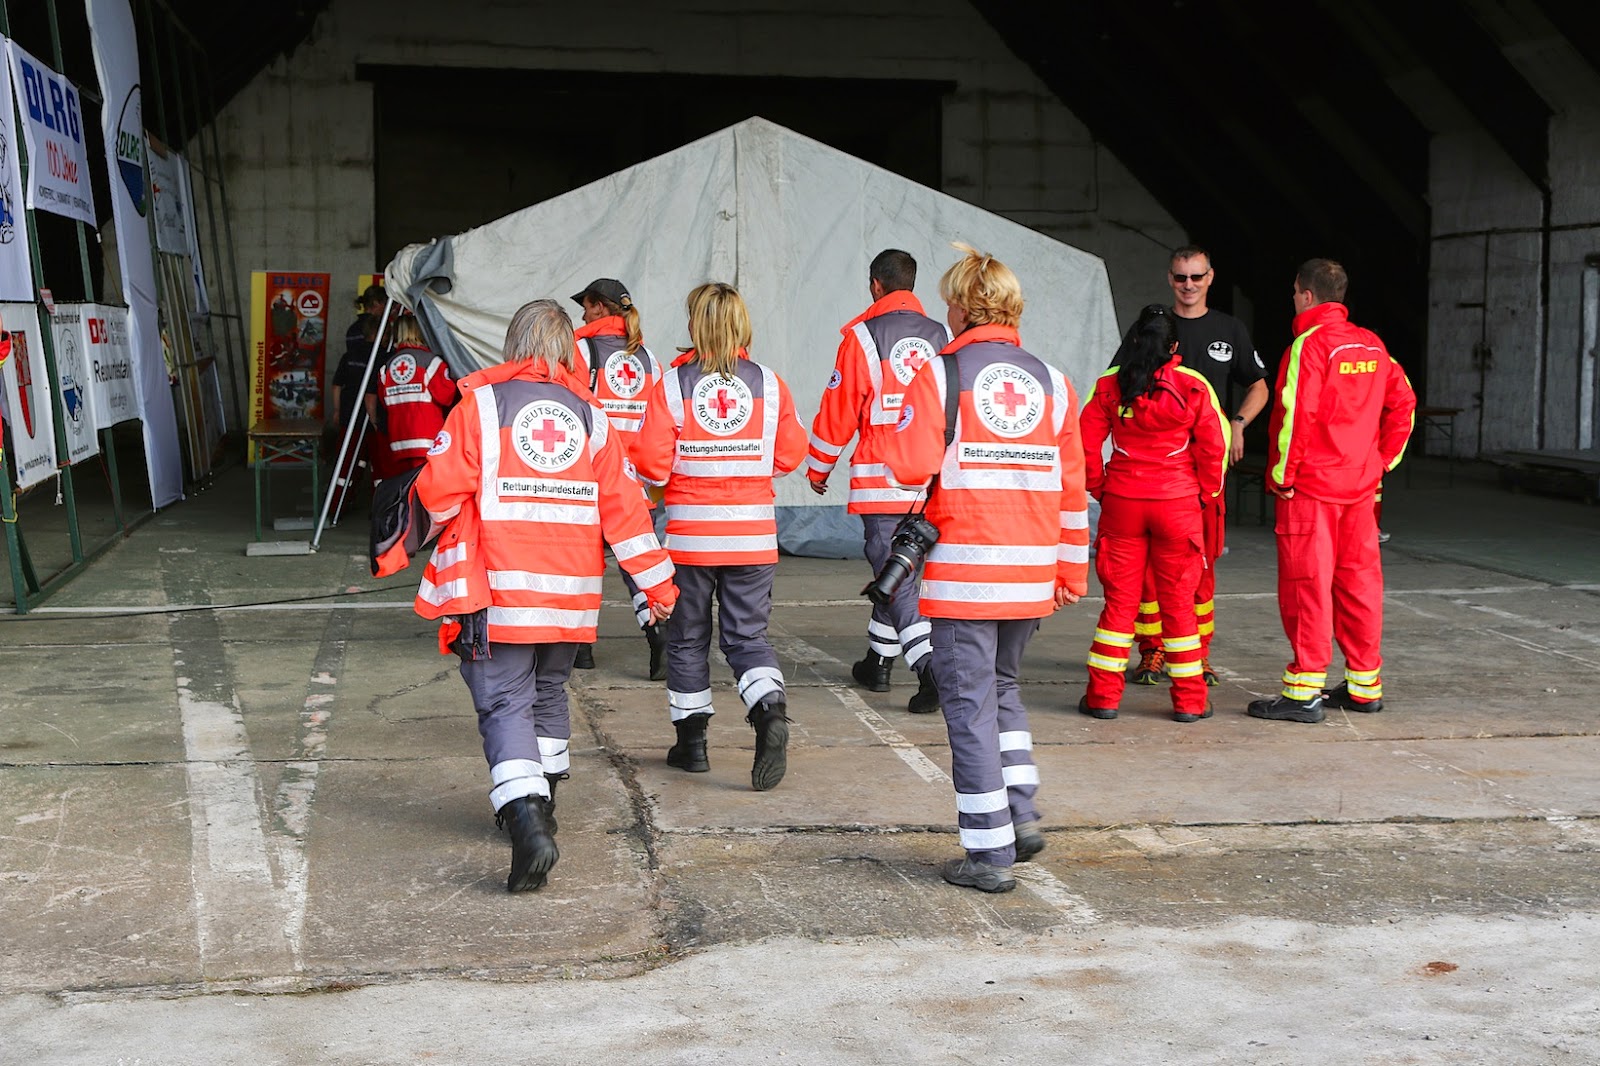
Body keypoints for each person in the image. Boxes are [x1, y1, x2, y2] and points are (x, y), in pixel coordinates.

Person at [412, 298, 677, 892]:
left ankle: (528, 819)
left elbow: (437, 491)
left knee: (504, 702)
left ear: (513, 346)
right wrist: (657, 586)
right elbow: (628, 515)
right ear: (566, 352)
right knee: (550, 690)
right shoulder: (592, 416)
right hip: (571, 595)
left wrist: (401, 540)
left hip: (498, 592)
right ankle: (545, 796)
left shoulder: (479, 405)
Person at [878, 243, 1090, 894]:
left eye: (949, 300)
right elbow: (1072, 489)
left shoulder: (941, 375)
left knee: (968, 709)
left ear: (967, 308)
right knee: (1002, 692)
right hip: (1029, 573)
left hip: (965, 572)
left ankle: (988, 854)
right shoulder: (1054, 382)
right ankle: (1020, 814)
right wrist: (1070, 572)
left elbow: (908, 465)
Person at [632, 282, 808, 791]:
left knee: (687, 640)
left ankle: (693, 748)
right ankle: (769, 710)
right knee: (747, 638)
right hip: (753, 536)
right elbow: (788, 455)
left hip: (690, 539)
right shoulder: (771, 385)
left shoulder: (671, 385)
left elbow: (650, 462)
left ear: (695, 326)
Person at [1249, 259, 1416, 724]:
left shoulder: (1310, 345)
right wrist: (1380, 463)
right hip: (1360, 490)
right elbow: (1405, 404)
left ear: (1304, 294)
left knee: (1308, 586)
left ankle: (1304, 691)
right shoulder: (1373, 344)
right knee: (1359, 585)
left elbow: (1296, 416)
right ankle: (1365, 685)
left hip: (1313, 490)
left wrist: (1282, 475)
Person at [806, 249, 950, 714]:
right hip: (931, 478)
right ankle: (877, 662)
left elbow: (839, 410)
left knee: (896, 578)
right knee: (898, 571)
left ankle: (930, 669)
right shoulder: (943, 334)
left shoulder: (863, 337)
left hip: (881, 478)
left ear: (875, 286)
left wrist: (818, 467)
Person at [1079, 305, 1228, 723]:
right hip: (1177, 506)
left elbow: (1085, 445)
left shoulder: (1110, 384)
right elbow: (1213, 449)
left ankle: (1103, 698)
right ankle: (1190, 702)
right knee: (1180, 605)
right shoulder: (1193, 385)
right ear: (1175, 346)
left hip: (1123, 504)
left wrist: (1100, 488)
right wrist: (1203, 494)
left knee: (1118, 607)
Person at [1129, 246, 1268, 687]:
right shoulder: (1150, 326)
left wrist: (1238, 424)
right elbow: (1118, 386)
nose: (1188, 285)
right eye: (1180, 278)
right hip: (1155, 475)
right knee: (1150, 568)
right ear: (1169, 279)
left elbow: (1260, 386)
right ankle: (1152, 652)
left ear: (1211, 277)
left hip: (1205, 472)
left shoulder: (1230, 329)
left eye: (1196, 277)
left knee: (1201, 564)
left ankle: (1195, 653)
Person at [570, 278, 666, 677]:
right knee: (636, 562)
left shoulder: (577, 350)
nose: (581, 314)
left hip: (591, 476)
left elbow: (566, 411)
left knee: (583, 562)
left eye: (586, 306)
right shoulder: (649, 358)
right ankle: (657, 634)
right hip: (635, 482)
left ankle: (582, 646)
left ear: (599, 307)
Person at [365, 315, 456, 478]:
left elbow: (385, 402)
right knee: (425, 492)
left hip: (398, 442)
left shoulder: (387, 366)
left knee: (405, 490)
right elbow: (446, 397)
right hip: (429, 441)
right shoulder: (432, 362)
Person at [329, 285, 389, 508]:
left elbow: (337, 384)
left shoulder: (349, 350)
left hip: (348, 411)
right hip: (372, 415)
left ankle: (338, 502)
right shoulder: (383, 356)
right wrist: (375, 417)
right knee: (378, 463)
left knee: (347, 460)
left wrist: (336, 410)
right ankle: (379, 506)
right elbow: (372, 391)